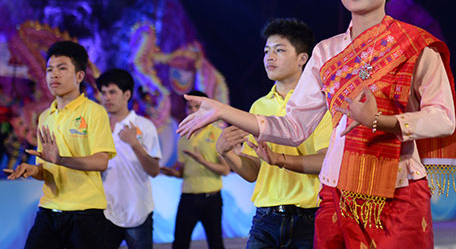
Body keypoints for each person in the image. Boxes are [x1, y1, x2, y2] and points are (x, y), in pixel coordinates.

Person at [177, 0, 456, 248]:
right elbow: (293, 127)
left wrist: (379, 121)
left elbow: (443, 119)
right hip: (336, 191)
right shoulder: (327, 52)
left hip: (398, 189)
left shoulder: (416, 47)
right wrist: (223, 110)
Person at [216, 18, 333, 248]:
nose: (269, 57)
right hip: (265, 219)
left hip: (309, 218)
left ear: (302, 58)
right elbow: (253, 172)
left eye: (279, 50)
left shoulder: (320, 104)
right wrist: (226, 153)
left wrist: (279, 159)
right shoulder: (259, 107)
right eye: (266, 51)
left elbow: (326, 161)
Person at [3, 40, 116, 249]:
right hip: (49, 209)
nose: (54, 75)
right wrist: (32, 170)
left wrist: (61, 159)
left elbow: (101, 162)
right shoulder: (45, 116)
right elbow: (44, 170)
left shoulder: (94, 112)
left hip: (85, 212)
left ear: (79, 76)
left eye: (62, 68)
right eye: (49, 70)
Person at [97, 68, 162, 249]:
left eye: (112, 92)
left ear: (127, 94)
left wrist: (135, 144)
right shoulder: (97, 126)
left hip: (138, 211)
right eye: (103, 92)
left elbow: (154, 170)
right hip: (104, 211)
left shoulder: (144, 126)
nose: (107, 98)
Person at [161, 90, 230, 249]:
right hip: (188, 196)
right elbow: (182, 171)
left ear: (207, 108)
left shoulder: (217, 133)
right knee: (179, 243)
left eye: (197, 107)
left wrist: (202, 161)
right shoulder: (183, 134)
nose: (192, 111)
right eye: (189, 107)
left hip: (211, 198)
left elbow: (225, 170)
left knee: (216, 244)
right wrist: (172, 173)